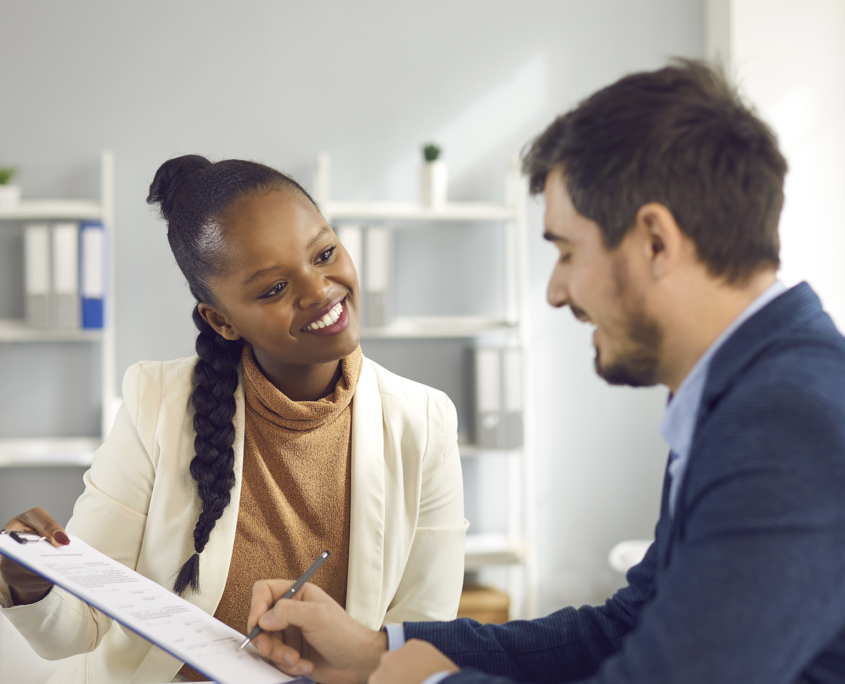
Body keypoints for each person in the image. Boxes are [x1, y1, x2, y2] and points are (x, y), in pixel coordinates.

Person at [242, 60, 845, 684]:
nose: (555, 291)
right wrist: (377, 650)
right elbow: (627, 628)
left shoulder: (789, 419)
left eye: (566, 252)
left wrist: (426, 683)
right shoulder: (749, 393)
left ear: (656, 243)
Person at [0, 156, 468, 683]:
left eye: (325, 253)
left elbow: (419, 643)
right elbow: (80, 626)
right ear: (221, 320)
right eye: (273, 289)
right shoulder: (156, 403)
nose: (318, 290)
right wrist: (29, 581)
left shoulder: (424, 423)